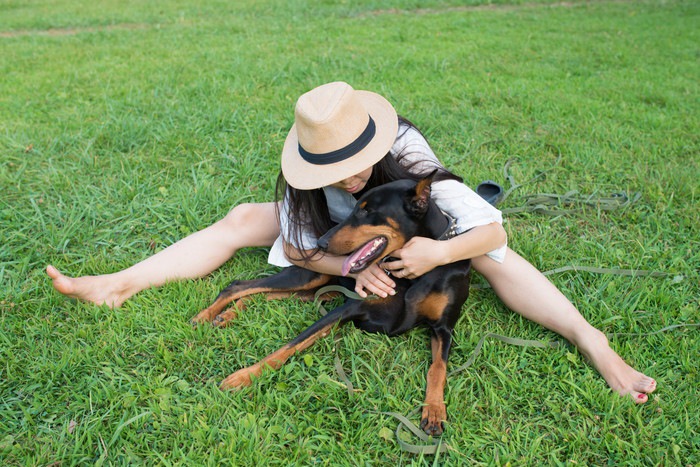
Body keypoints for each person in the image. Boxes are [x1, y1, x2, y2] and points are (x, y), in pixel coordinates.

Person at [47, 81, 656, 403]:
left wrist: (437, 253)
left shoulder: (410, 155)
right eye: (331, 169)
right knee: (238, 219)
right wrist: (352, 266)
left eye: (358, 162)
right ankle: (119, 282)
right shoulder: (302, 176)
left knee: (494, 257)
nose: (348, 176)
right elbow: (306, 248)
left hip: (422, 233)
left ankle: (593, 342)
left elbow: (492, 229)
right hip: (346, 241)